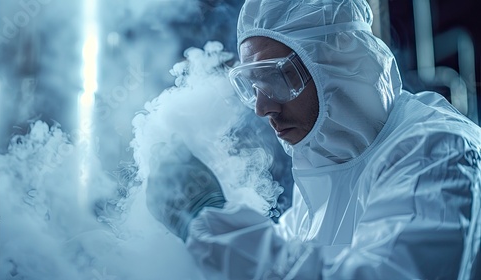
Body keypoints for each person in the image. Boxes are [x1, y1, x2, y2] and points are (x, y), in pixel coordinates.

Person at [146, 0, 481, 279]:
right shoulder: (325, 181)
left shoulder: (437, 153)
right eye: (253, 86)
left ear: (335, 63)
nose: (263, 107)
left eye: (276, 77)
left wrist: (211, 222)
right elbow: (291, 260)